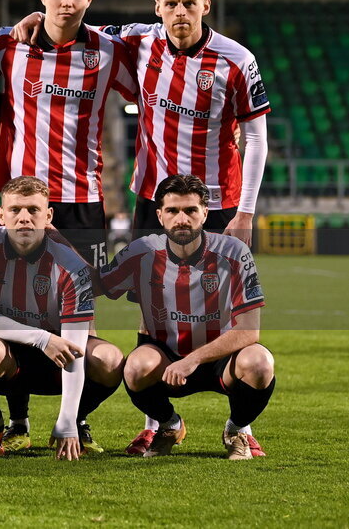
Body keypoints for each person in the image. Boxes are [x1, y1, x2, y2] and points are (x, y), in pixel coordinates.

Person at [12, 0, 270, 453]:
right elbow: (72, 23)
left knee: (221, 303)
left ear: (205, 6)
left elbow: (255, 135)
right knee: (151, 303)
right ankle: (158, 418)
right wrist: (29, 18)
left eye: (189, 3)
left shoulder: (236, 60)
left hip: (217, 202)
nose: (179, 12)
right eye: (170, 3)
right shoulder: (139, 41)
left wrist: (246, 213)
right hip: (153, 198)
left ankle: (242, 426)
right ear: (157, 8)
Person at [0, 0, 136, 448]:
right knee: (12, 301)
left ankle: (74, 419)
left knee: (81, 308)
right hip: (23, 200)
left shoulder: (108, 50)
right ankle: (15, 419)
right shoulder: (8, 42)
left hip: (83, 200)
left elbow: (153, 70)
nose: (66, 1)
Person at [97, 174, 274, 459]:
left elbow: (249, 332)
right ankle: (169, 425)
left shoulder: (234, 252)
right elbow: (95, 283)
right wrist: (54, 241)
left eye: (190, 210)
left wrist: (191, 361)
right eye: (172, 211)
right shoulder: (141, 250)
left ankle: (237, 429)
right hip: (166, 359)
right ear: (160, 215)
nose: (182, 219)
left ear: (205, 213)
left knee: (260, 362)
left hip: (222, 361)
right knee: (134, 366)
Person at [0, 176, 122, 459]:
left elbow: (74, 347)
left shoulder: (73, 265)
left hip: (57, 361)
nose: (24, 218)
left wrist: (68, 420)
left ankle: (79, 420)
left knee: (109, 359)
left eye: (33, 210)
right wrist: (42, 338)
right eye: (15, 210)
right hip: (9, 355)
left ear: (48, 215)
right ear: (1, 215)